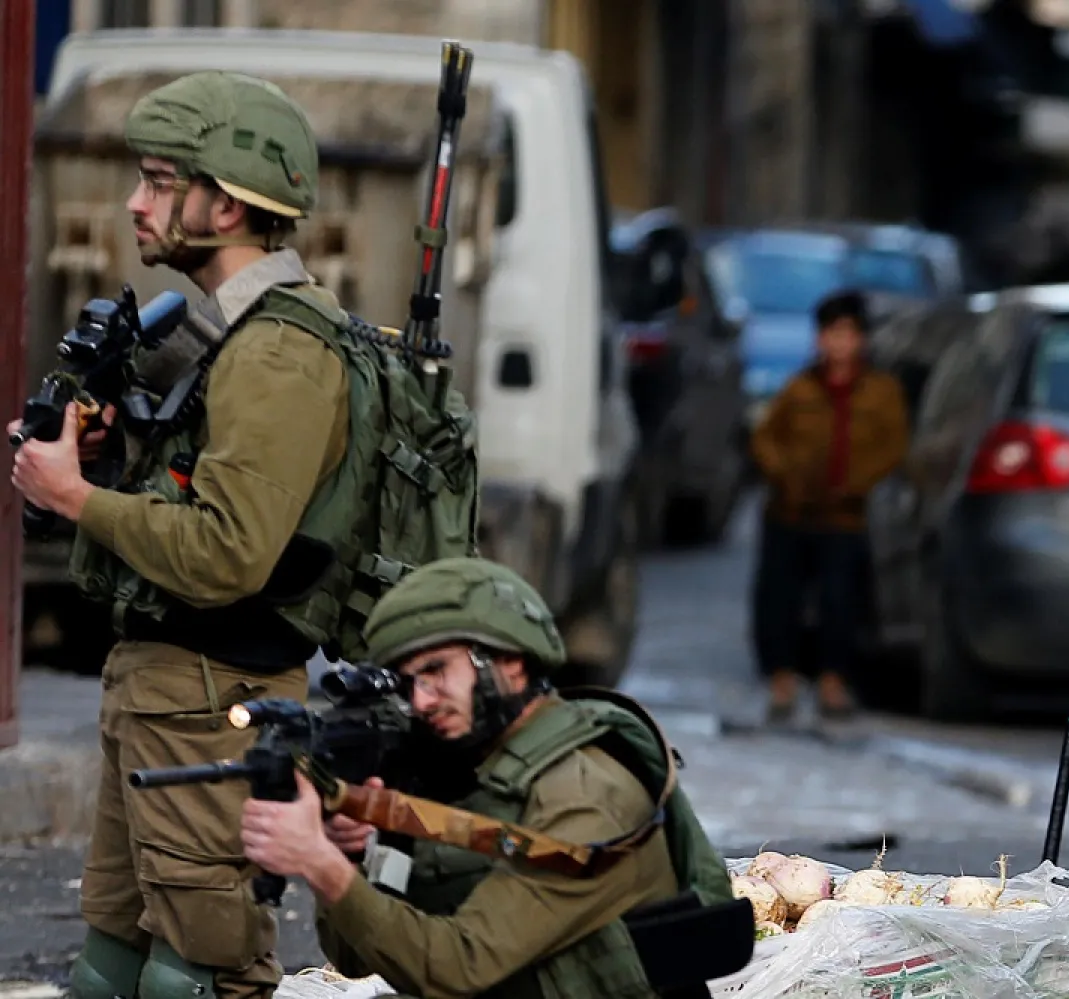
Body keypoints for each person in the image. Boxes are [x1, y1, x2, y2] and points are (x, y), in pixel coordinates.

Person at [8, 72, 378, 999]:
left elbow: (228, 549)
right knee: (109, 967)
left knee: (202, 977)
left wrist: (76, 501)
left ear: (226, 202)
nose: (136, 202)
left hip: (218, 696)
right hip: (165, 687)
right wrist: (98, 463)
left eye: (160, 181)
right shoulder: (232, 336)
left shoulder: (282, 351)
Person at [240, 557, 740, 998]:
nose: (421, 701)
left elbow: (458, 967)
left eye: (437, 671)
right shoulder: (485, 773)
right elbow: (358, 959)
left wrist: (322, 865)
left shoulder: (584, 796)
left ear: (511, 662)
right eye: (409, 682)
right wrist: (355, 851)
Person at [750, 289, 910, 721]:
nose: (838, 344)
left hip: (845, 517)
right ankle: (782, 679)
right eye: (830, 334)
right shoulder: (799, 389)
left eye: (847, 334)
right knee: (780, 600)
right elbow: (765, 438)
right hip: (791, 512)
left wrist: (856, 484)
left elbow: (892, 446)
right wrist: (785, 476)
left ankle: (833, 680)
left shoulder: (881, 392)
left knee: (841, 603)